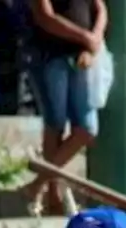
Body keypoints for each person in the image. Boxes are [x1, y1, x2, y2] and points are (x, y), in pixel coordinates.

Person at [24, 0, 108, 215]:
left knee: (87, 128)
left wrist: (94, 40)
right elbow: (45, 17)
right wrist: (85, 37)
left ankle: (38, 184)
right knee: (55, 124)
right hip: (49, 56)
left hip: (83, 56)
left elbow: (99, 8)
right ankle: (53, 196)